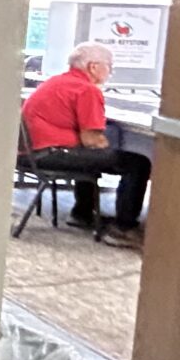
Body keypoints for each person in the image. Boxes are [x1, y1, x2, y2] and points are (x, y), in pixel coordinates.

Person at [19, 43, 149, 241]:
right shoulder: (87, 90)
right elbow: (91, 140)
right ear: (93, 67)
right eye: (110, 66)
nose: (111, 72)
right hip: (51, 154)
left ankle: (82, 213)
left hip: (30, 153)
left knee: (89, 156)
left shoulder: (56, 82)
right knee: (137, 163)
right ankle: (123, 227)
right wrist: (106, 146)